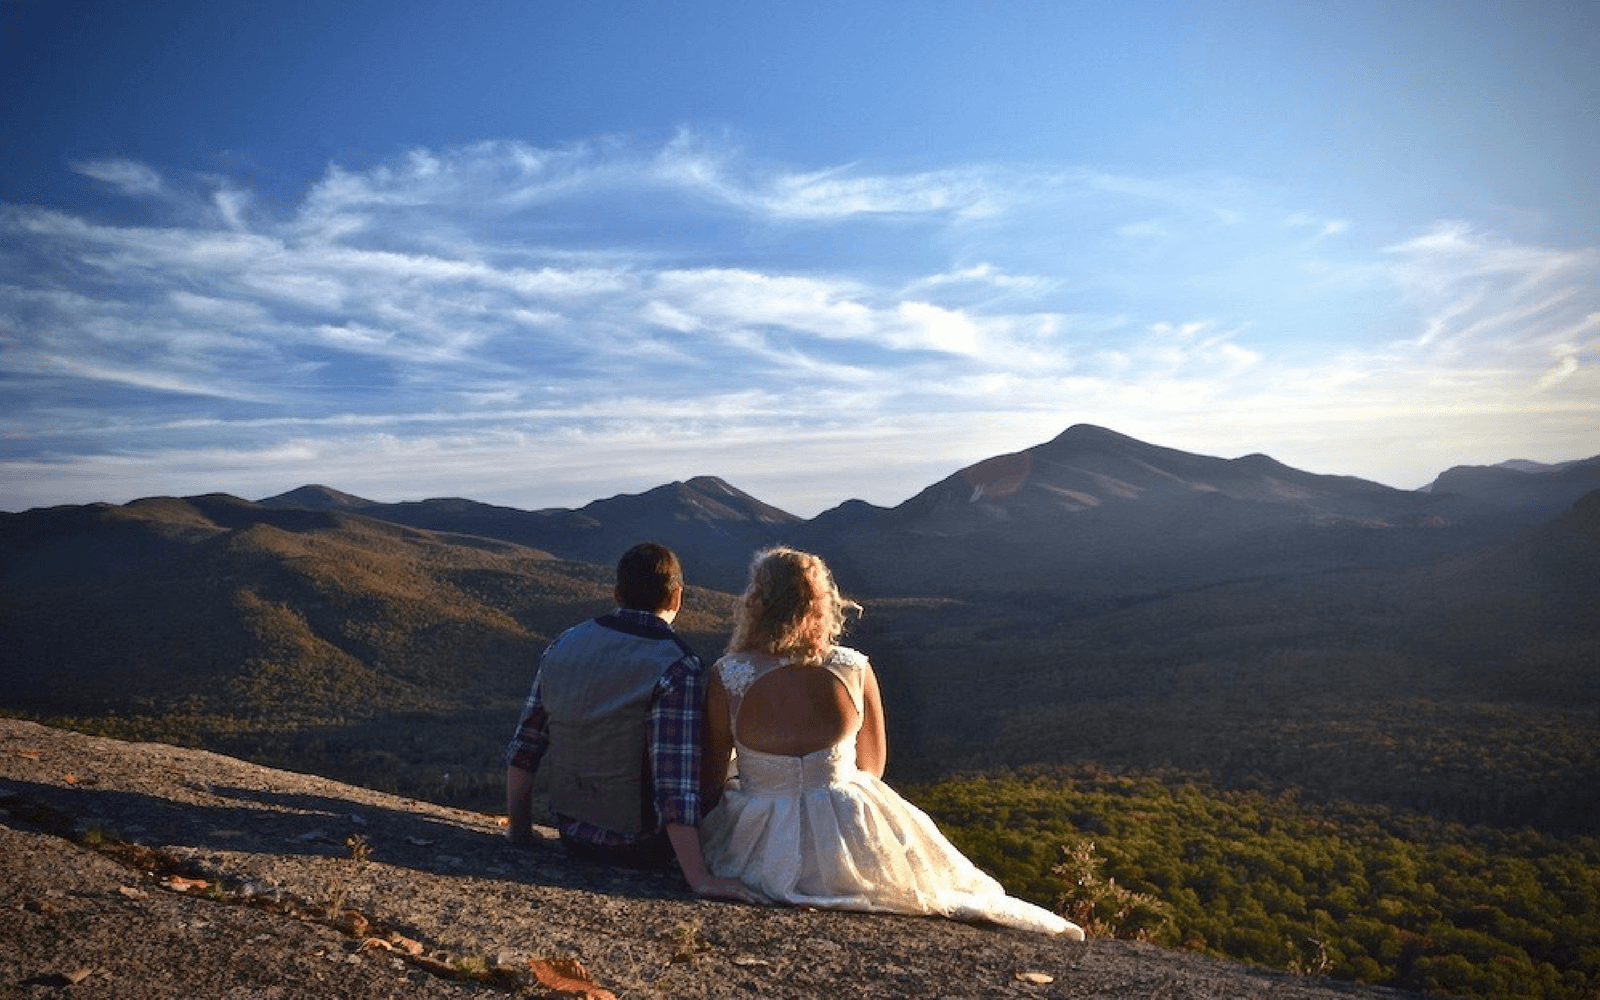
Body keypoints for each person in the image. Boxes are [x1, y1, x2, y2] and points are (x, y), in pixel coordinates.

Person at [699, 546, 1085, 937]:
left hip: (760, 838)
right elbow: (872, 767)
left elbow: (711, 779)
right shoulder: (852, 668)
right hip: (847, 829)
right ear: (821, 604)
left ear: (757, 603)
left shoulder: (730, 675)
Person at [504, 542, 759, 903]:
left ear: (617, 594)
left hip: (572, 832)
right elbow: (675, 783)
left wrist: (520, 831)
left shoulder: (563, 644)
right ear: (676, 598)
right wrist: (698, 877)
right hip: (640, 846)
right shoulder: (678, 665)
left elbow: (525, 748)